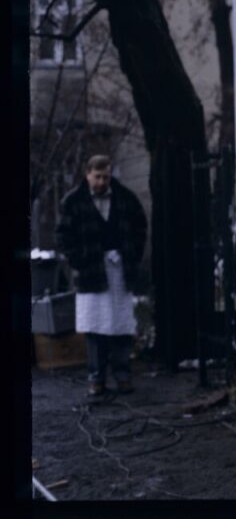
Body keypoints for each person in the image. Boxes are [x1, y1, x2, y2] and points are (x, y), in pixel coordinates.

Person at [56, 155, 147, 397]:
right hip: (91, 271)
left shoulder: (126, 198)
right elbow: (63, 237)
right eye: (97, 177)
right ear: (88, 174)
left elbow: (140, 227)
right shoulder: (73, 202)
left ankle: (123, 375)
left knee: (120, 324)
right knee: (95, 326)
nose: (101, 181)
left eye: (106, 176)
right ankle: (96, 378)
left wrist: (131, 255)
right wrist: (80, 261)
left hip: (120, 269)